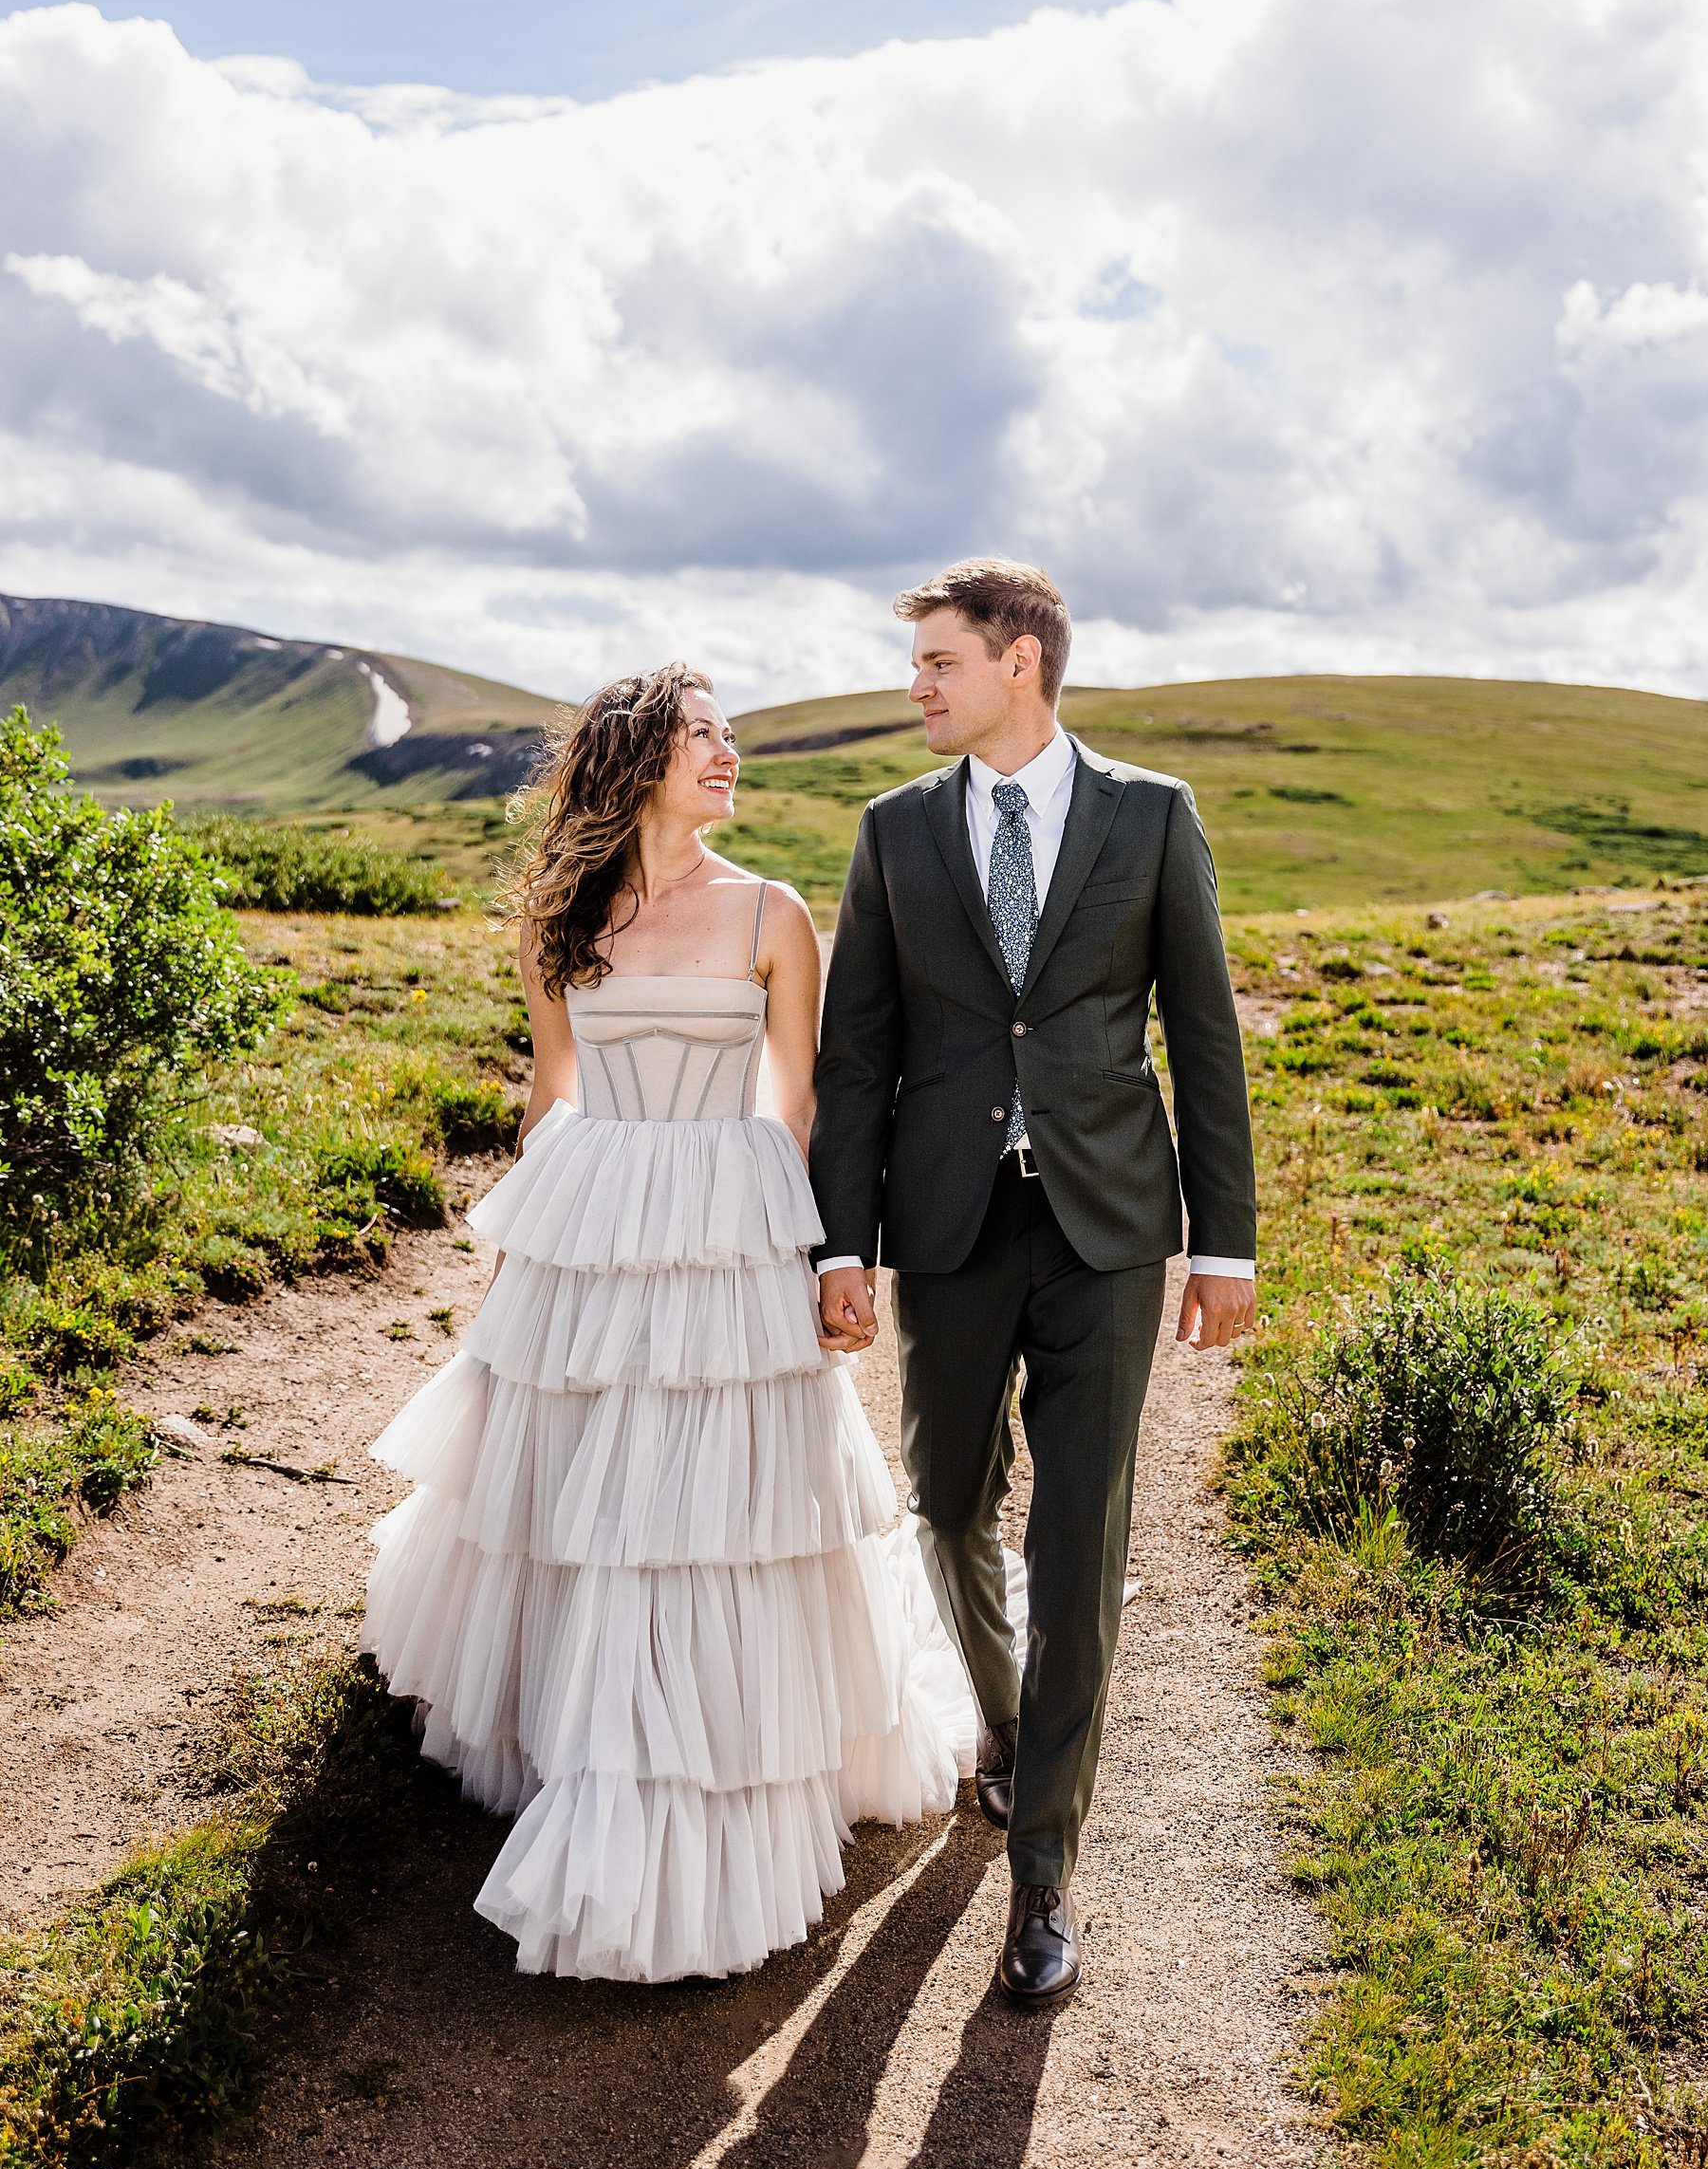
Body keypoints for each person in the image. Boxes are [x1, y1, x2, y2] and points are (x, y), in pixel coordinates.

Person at [361, 666, 976, 1985]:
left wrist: (829, 1262)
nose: (729, 754)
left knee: (717, 1511)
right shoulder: (563, 918)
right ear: (638, 756)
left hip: (728, 1223)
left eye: (733, 738)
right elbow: (550, 1091)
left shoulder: (772, 909)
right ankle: (582, 1735)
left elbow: (804, 1105)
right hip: (601, 1217)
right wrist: (530, 1265)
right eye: (706, 735)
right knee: (585, 1493)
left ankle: (695, 1775)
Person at [811, 558, 1257, 2008]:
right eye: (916, 665)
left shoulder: (1151, 815)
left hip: (1111, 1228)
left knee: (1080, 1534)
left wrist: (1225, 1241)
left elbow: (1203, 1035)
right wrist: (842, 1245)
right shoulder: (891, 833)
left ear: (1020, 662)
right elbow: (856, 1053)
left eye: (938, 662)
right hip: (945, 1226)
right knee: (947, 1503)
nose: (917, 687)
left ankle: (1046, 1874)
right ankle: (1007, 1730)